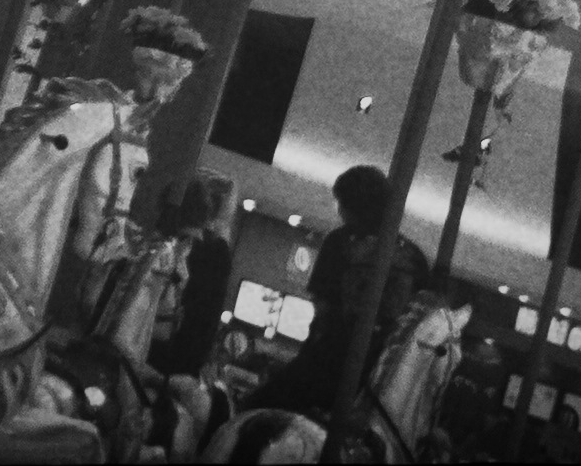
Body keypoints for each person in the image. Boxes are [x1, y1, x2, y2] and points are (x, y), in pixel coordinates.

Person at [243, 164, 431, 418]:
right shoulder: (415, 258)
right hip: (382, 376)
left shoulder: (339, 242)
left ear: (352, 206)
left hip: (327, 363)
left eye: (341, 203)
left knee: (252, 412)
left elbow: (322, 305)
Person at [149, 175, 236, 379]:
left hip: (146, 356)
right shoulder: (218, 254)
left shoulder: (158, 250)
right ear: (206, 215)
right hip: (187, 368)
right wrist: (230, 188)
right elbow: (224, 222)